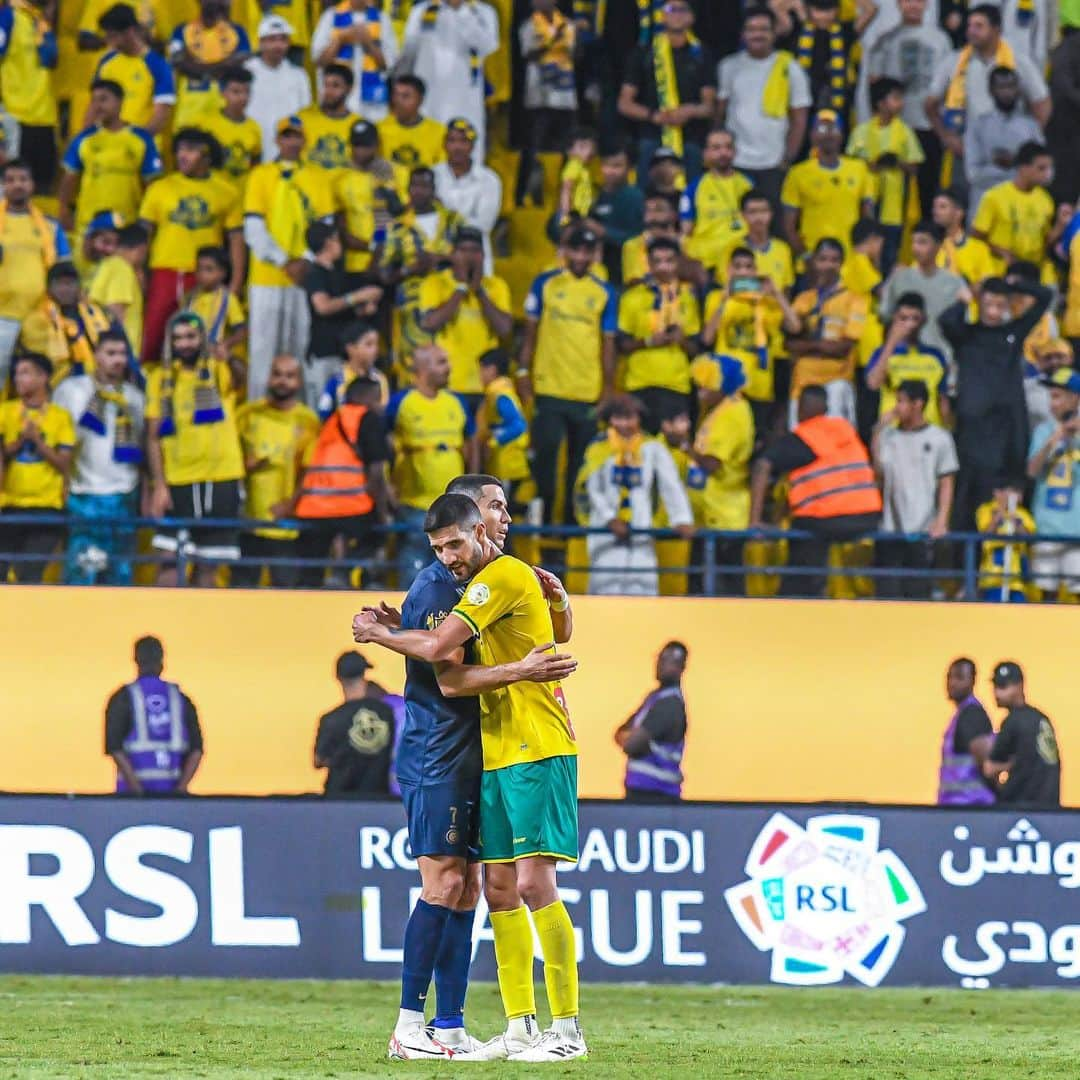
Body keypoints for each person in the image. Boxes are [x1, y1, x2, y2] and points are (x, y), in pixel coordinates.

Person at [353, 492, 588, 1062]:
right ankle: (507, 1027)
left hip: (527, 747)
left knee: (509, 886)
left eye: (455, 543)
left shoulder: (499, 575)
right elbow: (447, 671)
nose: (506, 519)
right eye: (497, 507)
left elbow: (449, 652)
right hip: (462, 751)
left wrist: (382, 632)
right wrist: (397, 627)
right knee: (488, 888)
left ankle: (563, 1031)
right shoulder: (446, 586)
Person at [520, 224, 616, 524]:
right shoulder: (544, 284)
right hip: (549, 388)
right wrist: (523, 371)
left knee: (580, 463)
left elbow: (608, 343)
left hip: (586, 390)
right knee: (546, 456)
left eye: (587, 251)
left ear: (594, 255)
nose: (580, 256)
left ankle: (571, 524)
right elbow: (530, 334)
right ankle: (546, 516)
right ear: (564, 251)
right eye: (575, 249)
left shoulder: (604, 292)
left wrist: (608, 388)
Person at [940, 274, 1052, 528]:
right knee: (964, 506)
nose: (993, 311)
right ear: (980, 303)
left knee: (994, 507)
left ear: (1007, 307)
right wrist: (966, 299)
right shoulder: (966, 336)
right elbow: (945, 321)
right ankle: (961, 564)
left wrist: (1016, 283)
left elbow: (1045, 297)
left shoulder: (1012, 332)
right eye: (988, 304)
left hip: (1002, 430)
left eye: (999, 306)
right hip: (970, 431)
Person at [750, 384, 882, 598]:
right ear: (827, 408)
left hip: (828, 518)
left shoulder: (803, 437)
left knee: (801, 545)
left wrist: (754, 520)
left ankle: (795, 598)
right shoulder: (845, 429)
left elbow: (762, 466)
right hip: (868, 516)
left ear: (799, 409)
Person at [146, 312, 245, 587]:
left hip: (221, 477)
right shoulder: (159, 378)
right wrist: (159, 485)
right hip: (178, 480)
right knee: (168, 563)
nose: (184, 344)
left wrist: (229, 358)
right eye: (177, 338)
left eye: (190, 337)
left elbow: (240, 378)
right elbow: (153, 437)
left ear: (202, 338)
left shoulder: (218, 368)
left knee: (208, 567)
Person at [243, 116, 335, 400]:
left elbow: (325, 226)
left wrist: (305, 260)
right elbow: (253, 227)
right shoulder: (261, 175)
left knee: (300, 349)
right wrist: (284, 261)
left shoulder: (318, 177)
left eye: (296, 136)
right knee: (262, 352)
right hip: (267, 277)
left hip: (305, 277)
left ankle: (300, 417)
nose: (291, 142)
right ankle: (257, 414)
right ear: (277, 140)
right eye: (286, 136)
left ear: (304, 140)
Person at [138, 128, 244, 366]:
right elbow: (144, 235)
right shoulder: (160, 188)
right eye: (180, 149)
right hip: (163, 272)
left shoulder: (227, 192)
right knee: (154, 337)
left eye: (191, 150)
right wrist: (138, 273)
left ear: (207, 156)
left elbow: (236, 241)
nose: (183, 156)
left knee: (199, 341)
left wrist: (235, 284)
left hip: (203, 279)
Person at [53, 329, 144, 586]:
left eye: (123, 354)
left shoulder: (135, 398)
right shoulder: (71, 391)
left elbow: (143, 449)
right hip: (84, 496)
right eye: (110, 353)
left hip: (124, 495)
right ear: (96, 356)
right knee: (81, 575)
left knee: (120, 577)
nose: (118, 360)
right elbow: (60, 441)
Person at [578, 394, 693, 596]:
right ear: (609, 419)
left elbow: (671, 485)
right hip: (605, 531)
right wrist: (610, 519)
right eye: (618, 418)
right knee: (605, 589)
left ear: (639, 418)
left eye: (630, 417)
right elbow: (593, 489)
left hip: (641, 529)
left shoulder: (652, 448)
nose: (624, 424)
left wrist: (681, 519)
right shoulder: (598, 448)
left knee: (642, 588)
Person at [925, 4, 1050, 189]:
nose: (971, 31)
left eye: (979, 26)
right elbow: (930, 104)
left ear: (996, 29)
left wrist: (1027, 141)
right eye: (969, 26)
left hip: (1009, 153)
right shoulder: (954, 61)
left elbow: (1042, 103)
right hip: (965, 151)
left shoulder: (1018, 61)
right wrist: (947, 137)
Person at [292, 376, 390, 588]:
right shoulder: (368, 418)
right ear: (368, 398)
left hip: (314, 507)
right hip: (349, 505)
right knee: (378, 534)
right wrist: (382, 512)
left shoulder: (333, 420)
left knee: (310, 572)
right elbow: (376, 471)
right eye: (378, 398)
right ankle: (343, 569)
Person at [386, 345, 471, 588]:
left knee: (453, 574)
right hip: (415, 504)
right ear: (422, 368)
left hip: (454, 508)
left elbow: (471, 441)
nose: (449, 367)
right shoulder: (401, 402)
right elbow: (380, 441)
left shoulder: (457, 403)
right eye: (441, 362)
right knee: (414, 571)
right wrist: (387, 484)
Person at [233, 353, 320, 589]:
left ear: (299, 382)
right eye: (277, 374)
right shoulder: (247, 414)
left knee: (285, 592)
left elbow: (309, 473)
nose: (283, 381)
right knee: (242, 592)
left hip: (286, 527)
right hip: (248, 521)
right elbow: (229, 460)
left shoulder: (308, 420)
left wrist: (290, 506)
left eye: (290, 376)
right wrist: (244, 466)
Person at [716, 6, 811, 213]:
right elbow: (719, 115)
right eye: (751, 29)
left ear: (774, 32)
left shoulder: (791, 68)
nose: (757, 34)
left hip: (773, 164)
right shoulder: (728, 66)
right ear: (743, 34)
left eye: (763, 29)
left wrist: (786, 160)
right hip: (737, 162)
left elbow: (799, 120)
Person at [701, 246, 799, 439]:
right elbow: (707, 338)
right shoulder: (716, 298)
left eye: (748, 267)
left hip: (759, 386)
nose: (743, 272)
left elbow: (795, 326)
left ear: (756, 271)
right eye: (738, 267)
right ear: (729, 270)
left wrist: (776, 294)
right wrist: (724, 299)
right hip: (726, 386)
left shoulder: (767, 302)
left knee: (755, 441)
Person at [871, 378, 958, 598]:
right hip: (891, 528)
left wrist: (942, 520)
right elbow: (879, 469)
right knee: (887, 592)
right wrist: (878, 430)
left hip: (922, 528)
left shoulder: (939, 438)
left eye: (901, 401)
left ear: (917, 404)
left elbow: (947, 480)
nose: (896, 407)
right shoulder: (890, 436)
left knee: (916, 592)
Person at [866, 0, 952, 218]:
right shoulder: (885, 41)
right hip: (896, 128)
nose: (913, 5)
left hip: (929, 125)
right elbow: (875, 85)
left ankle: (928, 241)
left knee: (929, 191)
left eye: (919, 1)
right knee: (892, 195)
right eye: (907, 1)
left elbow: (950, 86)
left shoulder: (941, 40)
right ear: (898, 4)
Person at [617, 0, 716, 185]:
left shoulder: (702, 54)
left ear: (692, 17)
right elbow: (624, 103)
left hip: (690, 138)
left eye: (682, 9)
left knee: (691, 192)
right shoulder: (643, 53)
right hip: (652, 135)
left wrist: (689, 111)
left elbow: (709, 106)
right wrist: (654, 116)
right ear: (662, 16)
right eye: (671, 9)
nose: (677, 14)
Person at [418, 226, 512, 408]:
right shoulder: (435, 283)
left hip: (486, 384)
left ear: (484, 256)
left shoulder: (496, 286)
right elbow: (430, 323)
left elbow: (505, 329)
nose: (469, 257)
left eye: (475, 251)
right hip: (450, 382)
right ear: (452, 254)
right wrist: (460, 288)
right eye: (463, 251)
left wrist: (479, 292)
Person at [0, 352, 74, 583]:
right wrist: (21, 441)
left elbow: (64, 463)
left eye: (24, 373)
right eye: (16, 374)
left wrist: (38, 442)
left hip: (47, 507)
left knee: (31, 575)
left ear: (43, 377)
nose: (18, 379)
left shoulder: (60, 417)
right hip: (9, 506)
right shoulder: (5, 412)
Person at [59, 78, 162, 242]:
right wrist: (63, 210)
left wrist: (149, 220)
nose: (97, 106)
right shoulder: (83, 139)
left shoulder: (141, 139)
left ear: (120, 101)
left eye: (104, 99)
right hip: (88, 225)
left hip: (128, 224)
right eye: (94, 100)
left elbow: (152, 185)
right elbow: (69, 179)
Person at [618, 236, 702, 432]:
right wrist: (647, 342)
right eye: (657, 261)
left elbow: (696, 347)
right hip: (639, 384)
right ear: (648, 263)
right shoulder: (632, 296)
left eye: (669, 261)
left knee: (672, 450)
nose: (664, 267)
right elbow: (621, 344)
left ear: (678, 262)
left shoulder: (688, 298)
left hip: (676, 385)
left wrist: (681, 341)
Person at [104, 635, 204, 795]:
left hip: (130, 799)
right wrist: (180, 790)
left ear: (136, 660)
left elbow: (114, 748)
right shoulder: (180, 699)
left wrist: (137, 790)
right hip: (172, 795)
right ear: (162, 661)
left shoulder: (122, 698)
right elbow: (196, 750)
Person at [0, 160, 71, 382]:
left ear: (32, 185)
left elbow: (64, 269)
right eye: (11, 180)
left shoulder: (51, 226)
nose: (17, 185)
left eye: (23, 179)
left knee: (41, 376)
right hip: (2, 315)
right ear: (3, 185)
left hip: (40, 314)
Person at [399, 0, 500, 155]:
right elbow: (409, 50)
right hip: (429, 97)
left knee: (465, 150)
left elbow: (487, 46)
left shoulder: (482, 12)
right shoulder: (423, 10)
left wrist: (462, 12)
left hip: (465, 99)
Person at [787, 238, 868, 425]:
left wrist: (806, 346)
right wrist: (822, 346)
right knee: (802, 448)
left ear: (841, 264)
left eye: (834, 260)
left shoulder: (855, 300)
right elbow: (789, 344)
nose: (828, 266)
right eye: (823, 259)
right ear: (813, 262)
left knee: (837, 447)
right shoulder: (803, 300)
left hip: (837, 383)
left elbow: (842, 348)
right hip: (802, 384)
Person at [847, 79, 924, 275]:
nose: (901, 103)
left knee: (889, 256)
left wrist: (896, 162)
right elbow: (851, 162)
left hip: (893, 207)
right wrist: (875, 163)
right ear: (881, 103)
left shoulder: (904, 131)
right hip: (866, 203)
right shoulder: (862, 131)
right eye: (896, 98)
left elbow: (915, 165)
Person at [782, 109, 875, 263]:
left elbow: (868, 219)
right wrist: (806, 256)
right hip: (814, 260)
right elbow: (789, 226)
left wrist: (865, 254)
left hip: (851, 259)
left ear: (842, 134)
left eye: (834, 128)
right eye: (822, 129)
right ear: (812, 135)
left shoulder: (860, 169)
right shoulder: (798, 173)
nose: (828, 134)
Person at [304, 223, 380, 408]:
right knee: (324, 408)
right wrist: (358, 297)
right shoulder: (315, 273)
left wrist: (362, 309)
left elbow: (343, 307)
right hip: (324, 353)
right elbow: (322, 306)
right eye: (338, 240)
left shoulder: (338, 274)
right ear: (329, 242)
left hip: (342, 353)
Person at [1026, 367, 1080, 601]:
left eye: (1057, 397)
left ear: (1075, 398)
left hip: (1076, 531)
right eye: (1051, 397)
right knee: (1047, 596)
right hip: (1047, 529)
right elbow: (1032, 471)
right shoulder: (1043, 431)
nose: (1052, 403)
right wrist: (1054, 439)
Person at [518, 0, 578, 206]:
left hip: (565, 95)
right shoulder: (528, 26)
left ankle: (566, 192)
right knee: (535, 144)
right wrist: (553, 42)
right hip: (539, 95)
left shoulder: (569, 25)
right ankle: (528, 192)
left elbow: (575, 54)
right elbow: (528, 54)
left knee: (566, 145)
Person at [879, 223, 965, 366]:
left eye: (922, 242)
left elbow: (962, 326)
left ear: (938, 246)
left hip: (942, 360)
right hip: (903, 363)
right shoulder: (899, 279)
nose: (915, 248)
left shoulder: (954, 283)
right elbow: (885, 316)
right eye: (913, 242)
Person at [314, 651, 397, 795]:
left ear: (338, 678)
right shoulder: (386, 713)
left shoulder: (331, 719)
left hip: (340, 799)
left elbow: (318, 761)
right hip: (378, 799)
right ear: (364, 675)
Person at [615, 641, 688, 803]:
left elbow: (631, 744)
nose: (662, 664)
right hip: (639, 788)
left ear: (681, 667)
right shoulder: (654, 698)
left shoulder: (669, 704)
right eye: (661, 658)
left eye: (671, 660)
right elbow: (619, 733)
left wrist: (632, 737)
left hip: (657, 793)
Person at [965, 66, 1043, 218]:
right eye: (1001, 87)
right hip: (985, 208)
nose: (1007, 92)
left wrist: (1013, 162)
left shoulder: (1031, 127)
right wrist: (1018, 171)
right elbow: (973, 174)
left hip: (1020, 210)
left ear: (1018, 90)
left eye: (1011, 86)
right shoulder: (978, 126)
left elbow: (1043, 172)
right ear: (991, 90)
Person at [19, 262, 114, 386]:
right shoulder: (36, 320)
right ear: (49, 287)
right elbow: (39, 363)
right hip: (56, 384)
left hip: (96, 381)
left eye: (70, 283)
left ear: (78, 286)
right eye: (60, 284)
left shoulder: (93, 313)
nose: (66, 289)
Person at [971, 141, 1058, 273]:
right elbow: (976, 238)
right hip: (999, 273)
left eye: (1049, 168)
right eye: (1041, 168)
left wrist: (1061, 225)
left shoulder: (1046, 200)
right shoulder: (994, 197)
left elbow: (1045, 241)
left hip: (1032, 274)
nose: (1047, 174)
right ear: (1023, 168)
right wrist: (1000, 251)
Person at [984, 661, 1060, 807]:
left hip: (1019, 808)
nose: (997, 693)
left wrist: (1009, 766)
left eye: (1003, 687)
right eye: (996, 687)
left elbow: (989, 768)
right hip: (1050, 809)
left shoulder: (1013, 721)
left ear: (1019, 686)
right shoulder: (1041, 718)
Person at [0, 0, 58, 191]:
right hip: (14, 120)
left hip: (44, 119)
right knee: (12, 191)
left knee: (42, 189)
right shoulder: (7, 17)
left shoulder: (39, 21)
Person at [93, 3, 175, 137]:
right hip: (108, 146)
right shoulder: (106, 62)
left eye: (113, 36)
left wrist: (138, 142)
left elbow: (161, 115)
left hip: (141, 148)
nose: (110, 42)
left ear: (129, 32)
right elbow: (95, 106)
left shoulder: (157, 64)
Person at [168, 0, 251, 131]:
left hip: (224, 104)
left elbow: (239, 62)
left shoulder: (237, 31)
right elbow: (178, 61)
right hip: (190, 105)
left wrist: (196, 65)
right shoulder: (181, 30)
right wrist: (222, 65)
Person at [867, 292, 949, 425]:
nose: (909, 325)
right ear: (894, 318)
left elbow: (942, 399)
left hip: (929, 429)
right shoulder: (881, 353)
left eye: (915, 319)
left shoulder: (935, 355)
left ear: (924, 320)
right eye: (903, 318)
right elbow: (873, 384)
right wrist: (891, 343)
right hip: (893, 430)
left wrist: (946, 433)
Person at [679, 129, 752, 276]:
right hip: (706, 261)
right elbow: (686, 229)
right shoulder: (693, 188)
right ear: (706, 153)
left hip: (740, 260)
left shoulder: (747, 184)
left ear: (735, 151)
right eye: (716, 148)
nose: (723, 153)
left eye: (728, 147)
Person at [310, 0, 397, 122]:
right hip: (337, 102)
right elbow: (319, 61)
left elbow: (389, 64)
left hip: (371, 106)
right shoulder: (330, 16)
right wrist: (340, 39)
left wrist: (369, 43)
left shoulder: (382, 19)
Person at [433, 119, 502, 271]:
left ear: (473, 145)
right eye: (452, 140)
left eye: (464, 141)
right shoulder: (432, 175)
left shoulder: (489, 180)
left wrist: (444, 211)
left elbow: (484, 224)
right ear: (444, 144)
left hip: (475, 254)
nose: (457, 147)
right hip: (437, 251)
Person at [245, 15, 312, 161]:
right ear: (261, 42)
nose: (278, 45)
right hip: (255, 149)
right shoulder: (247, 72)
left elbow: (305, 116)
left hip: (288, 151)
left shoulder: (299, 75)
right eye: (272, 39)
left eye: (283, 39)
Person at [196, 67, 262, 197]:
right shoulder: (206, 124)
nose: (243, 97)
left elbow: (255, 163)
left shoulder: (254, 127)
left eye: (247, 92)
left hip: (241, 198)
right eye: (236, 92)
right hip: (213, 195)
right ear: (222, 93)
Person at [937, 657, 996, 805]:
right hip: (957, 804)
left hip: (970, 804)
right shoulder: (961, 714)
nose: (952, 683)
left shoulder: (972, 715)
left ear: (972, 681)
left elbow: (986, 761)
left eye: (959, 677)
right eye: (949, 677)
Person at [587, 142, 644, 286]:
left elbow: (637, 238)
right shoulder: (592, 194)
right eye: (606, 165)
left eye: (617, 166)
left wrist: (604, 232)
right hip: (589, 263)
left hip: (622, 270)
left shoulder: (634, 197)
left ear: (629, 168)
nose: (610, 171)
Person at [88, 222, 147, 361]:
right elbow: (116, 311)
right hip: (120, 352)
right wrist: (116, 353)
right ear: (141, 249)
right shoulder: (122, 270)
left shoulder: (109, 264)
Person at [317, 319, 389, 421]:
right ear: (350, 348)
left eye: (376, 344)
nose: (375, 349)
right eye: (369, 344)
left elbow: (384, 412)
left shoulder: (380, 378)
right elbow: (323, 413)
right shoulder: (336, 380)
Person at [975, 480, 1034, 601]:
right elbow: (985, 534)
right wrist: (998, 516)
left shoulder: (1023, 513)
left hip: (1016, 579)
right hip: (992, 578)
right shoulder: (986, 509)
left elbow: (1029, 537)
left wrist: (1015, 521)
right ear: (996, 492)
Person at [378, 75, 446, 172]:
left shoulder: (439, 132)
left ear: (420, 100)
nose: (398, 101)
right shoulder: (379, 128)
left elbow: (441, 170)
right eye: (395, 95)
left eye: (405, 96)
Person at [931, 186, 996, 286]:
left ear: (959, 213)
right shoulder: (929, 245)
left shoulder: (979, 249)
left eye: (942, 207)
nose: (935, 212)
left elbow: (988, 287)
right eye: (934, 207)